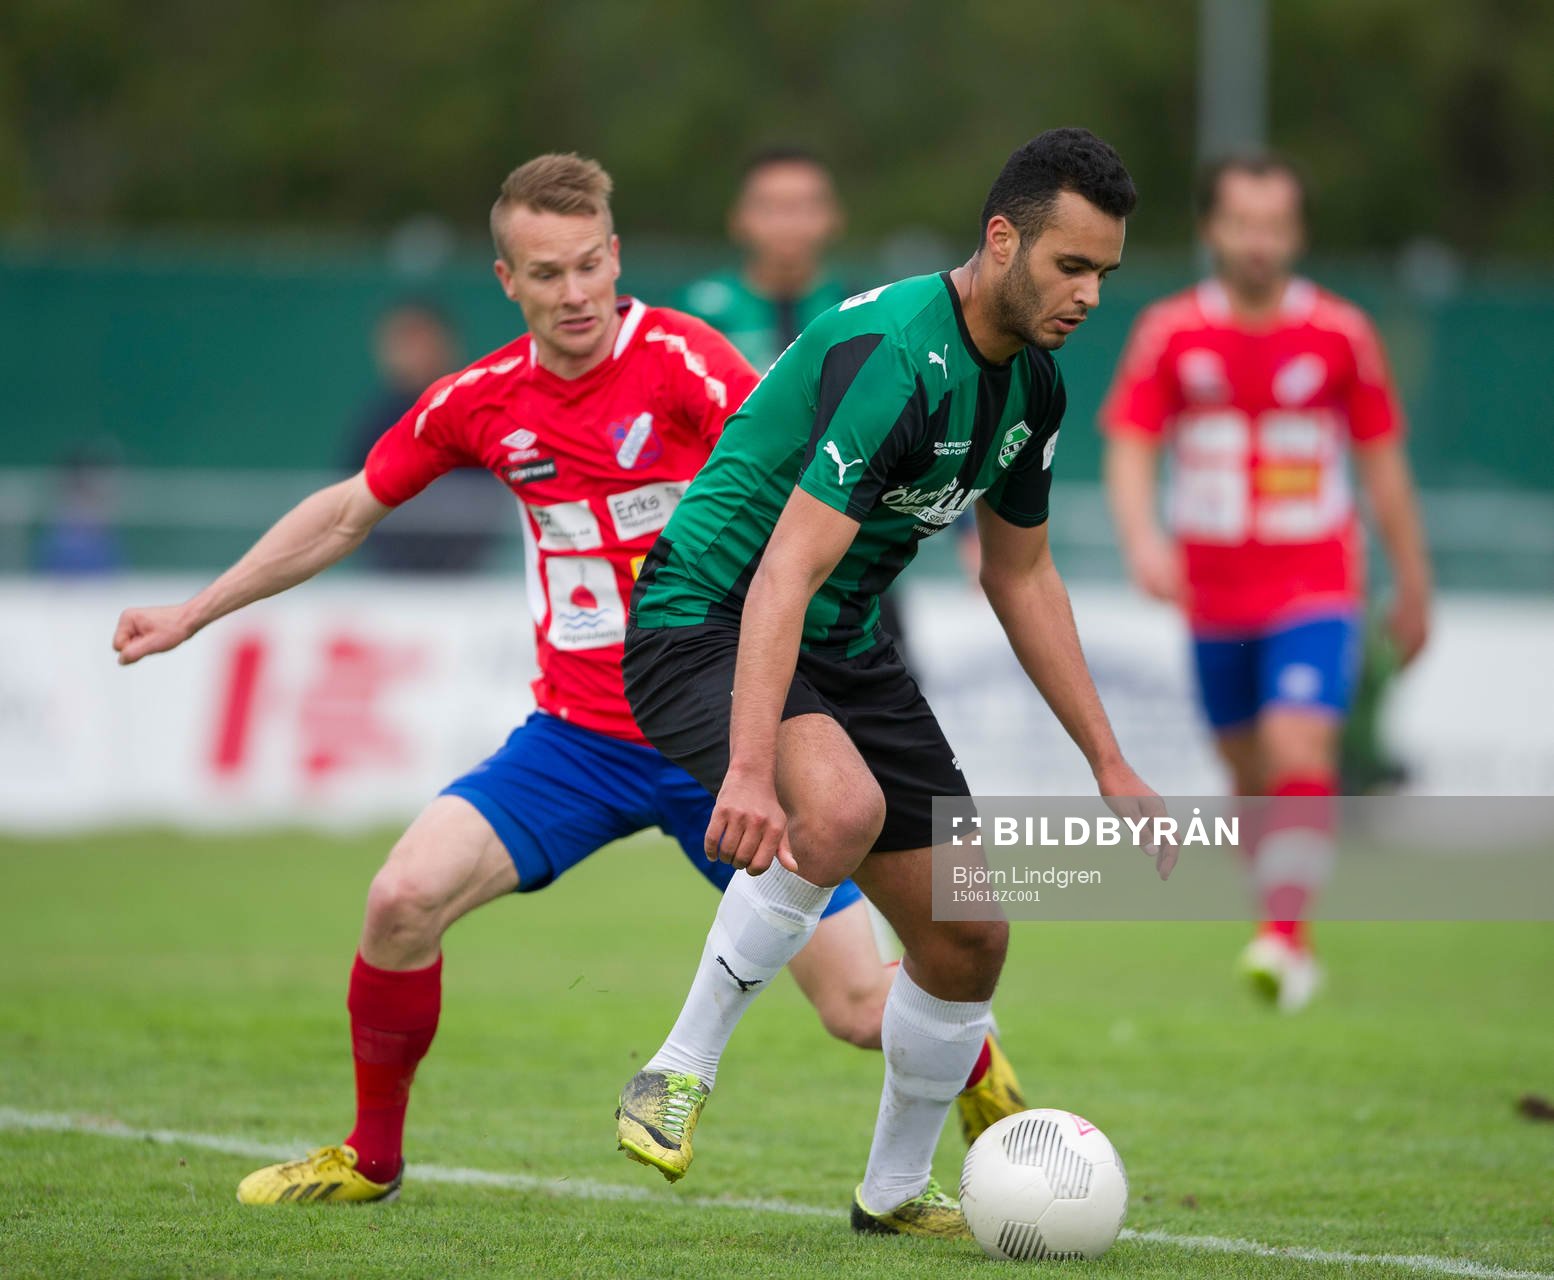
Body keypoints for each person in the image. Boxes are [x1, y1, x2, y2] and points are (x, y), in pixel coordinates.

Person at [111, 153, 1021, 1207]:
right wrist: (194, 609)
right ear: (509, 281)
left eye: (590, 265)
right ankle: (372, 1155)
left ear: (616, 256)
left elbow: (810, 481)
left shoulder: (690, 362)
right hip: (576, 740)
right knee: (401, 898)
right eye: (547, 273)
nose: (576, 291)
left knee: (867, 1008)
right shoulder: (483, 400)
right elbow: (350, 509)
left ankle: (982, 1079)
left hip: (724, 736)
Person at [613, 128, 1168, 1239]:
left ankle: (895, 1191)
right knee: (844, 805)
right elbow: (783, 569)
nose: (1089, 294)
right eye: (1070, 265)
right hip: (706, 616)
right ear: (1001, 238)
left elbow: (1022, 575)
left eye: (1105, 272)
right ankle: (672, 1070)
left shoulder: (1037, 389)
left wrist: (1109, 761)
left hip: (842, 638)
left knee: (970, 935)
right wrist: (758, 771)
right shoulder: (892, 352)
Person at [1099, 154, 1431, 1011]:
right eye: (1242, 223)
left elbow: (1382, 463)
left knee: (1298, 748)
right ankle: (1292, 930)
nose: (1259, 242)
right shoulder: (1173, 332)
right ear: (1213, 229)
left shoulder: (1341, 335)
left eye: (1276, 225)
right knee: (1248, 774)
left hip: (1317, 580)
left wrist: (1414, 579)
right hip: (1212, 595)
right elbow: (1131, 444)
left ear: (1299, 234)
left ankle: (1279, 934)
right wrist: (1143, 538)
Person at [343, 301, 508, 573]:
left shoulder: (477, 411)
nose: (409, 354)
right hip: (392, 577)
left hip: (467, 576)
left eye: (418, 340)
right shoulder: (376, 420)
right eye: (401, 343)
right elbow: (350, 497)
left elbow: (495, 494)